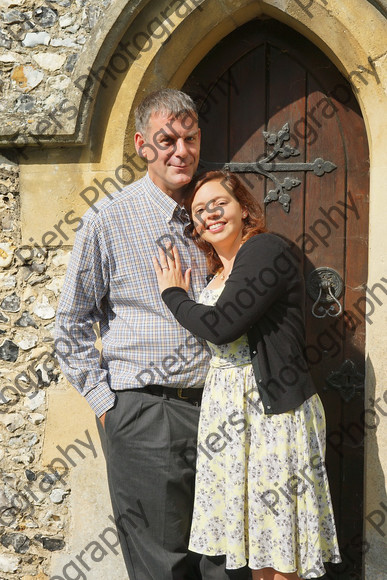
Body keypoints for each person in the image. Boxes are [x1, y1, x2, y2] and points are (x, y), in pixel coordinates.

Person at [55, 91, 251, 580]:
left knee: (227, 563)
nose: (180, 151)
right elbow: (70, 324)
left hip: (222, 408)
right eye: (167, 140)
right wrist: (108, 405)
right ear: (143, 145)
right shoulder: (108, 221)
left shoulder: (216, 213)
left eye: (189, 138)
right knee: (163, 567)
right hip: (146, 414)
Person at [153, 170, 342, 580]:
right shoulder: (219, 271)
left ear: (243, 207)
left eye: (219, 203)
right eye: (199, 211)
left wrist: (173, 296)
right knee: (258, 551)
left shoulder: (264, 249)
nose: (210, 215)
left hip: (272, 413)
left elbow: (223, 325)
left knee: (278, 553)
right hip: (228, 412)